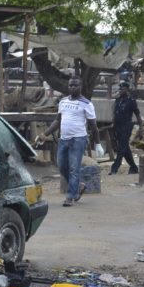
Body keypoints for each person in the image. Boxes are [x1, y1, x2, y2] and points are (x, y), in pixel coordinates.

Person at [35, 76, 103, 207]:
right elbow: (57, 120)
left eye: (75, 85)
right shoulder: (63, 101)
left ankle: (71, 196)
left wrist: (98, 143)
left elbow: (93, 126)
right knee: (61, 166)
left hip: (78, 139)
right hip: (64, 139)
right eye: (70, 85)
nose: (72, 87)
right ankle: (79, 186)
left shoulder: (87, 104)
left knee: (74, 168)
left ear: (80, 87)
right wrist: (45, 134)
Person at [110, 81, 143, 175]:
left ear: (127, 89)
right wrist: (113, 124)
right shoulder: (117, 100)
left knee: (121, 148)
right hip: (117, 127)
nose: (120, 90)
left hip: (126, 126)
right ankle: (134, 167)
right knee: (125, 149)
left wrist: (141, 128)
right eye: (119, 89)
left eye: (122, 89)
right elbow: (114, 113)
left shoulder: (131, 101)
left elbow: (138, 115)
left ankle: (114, 168)